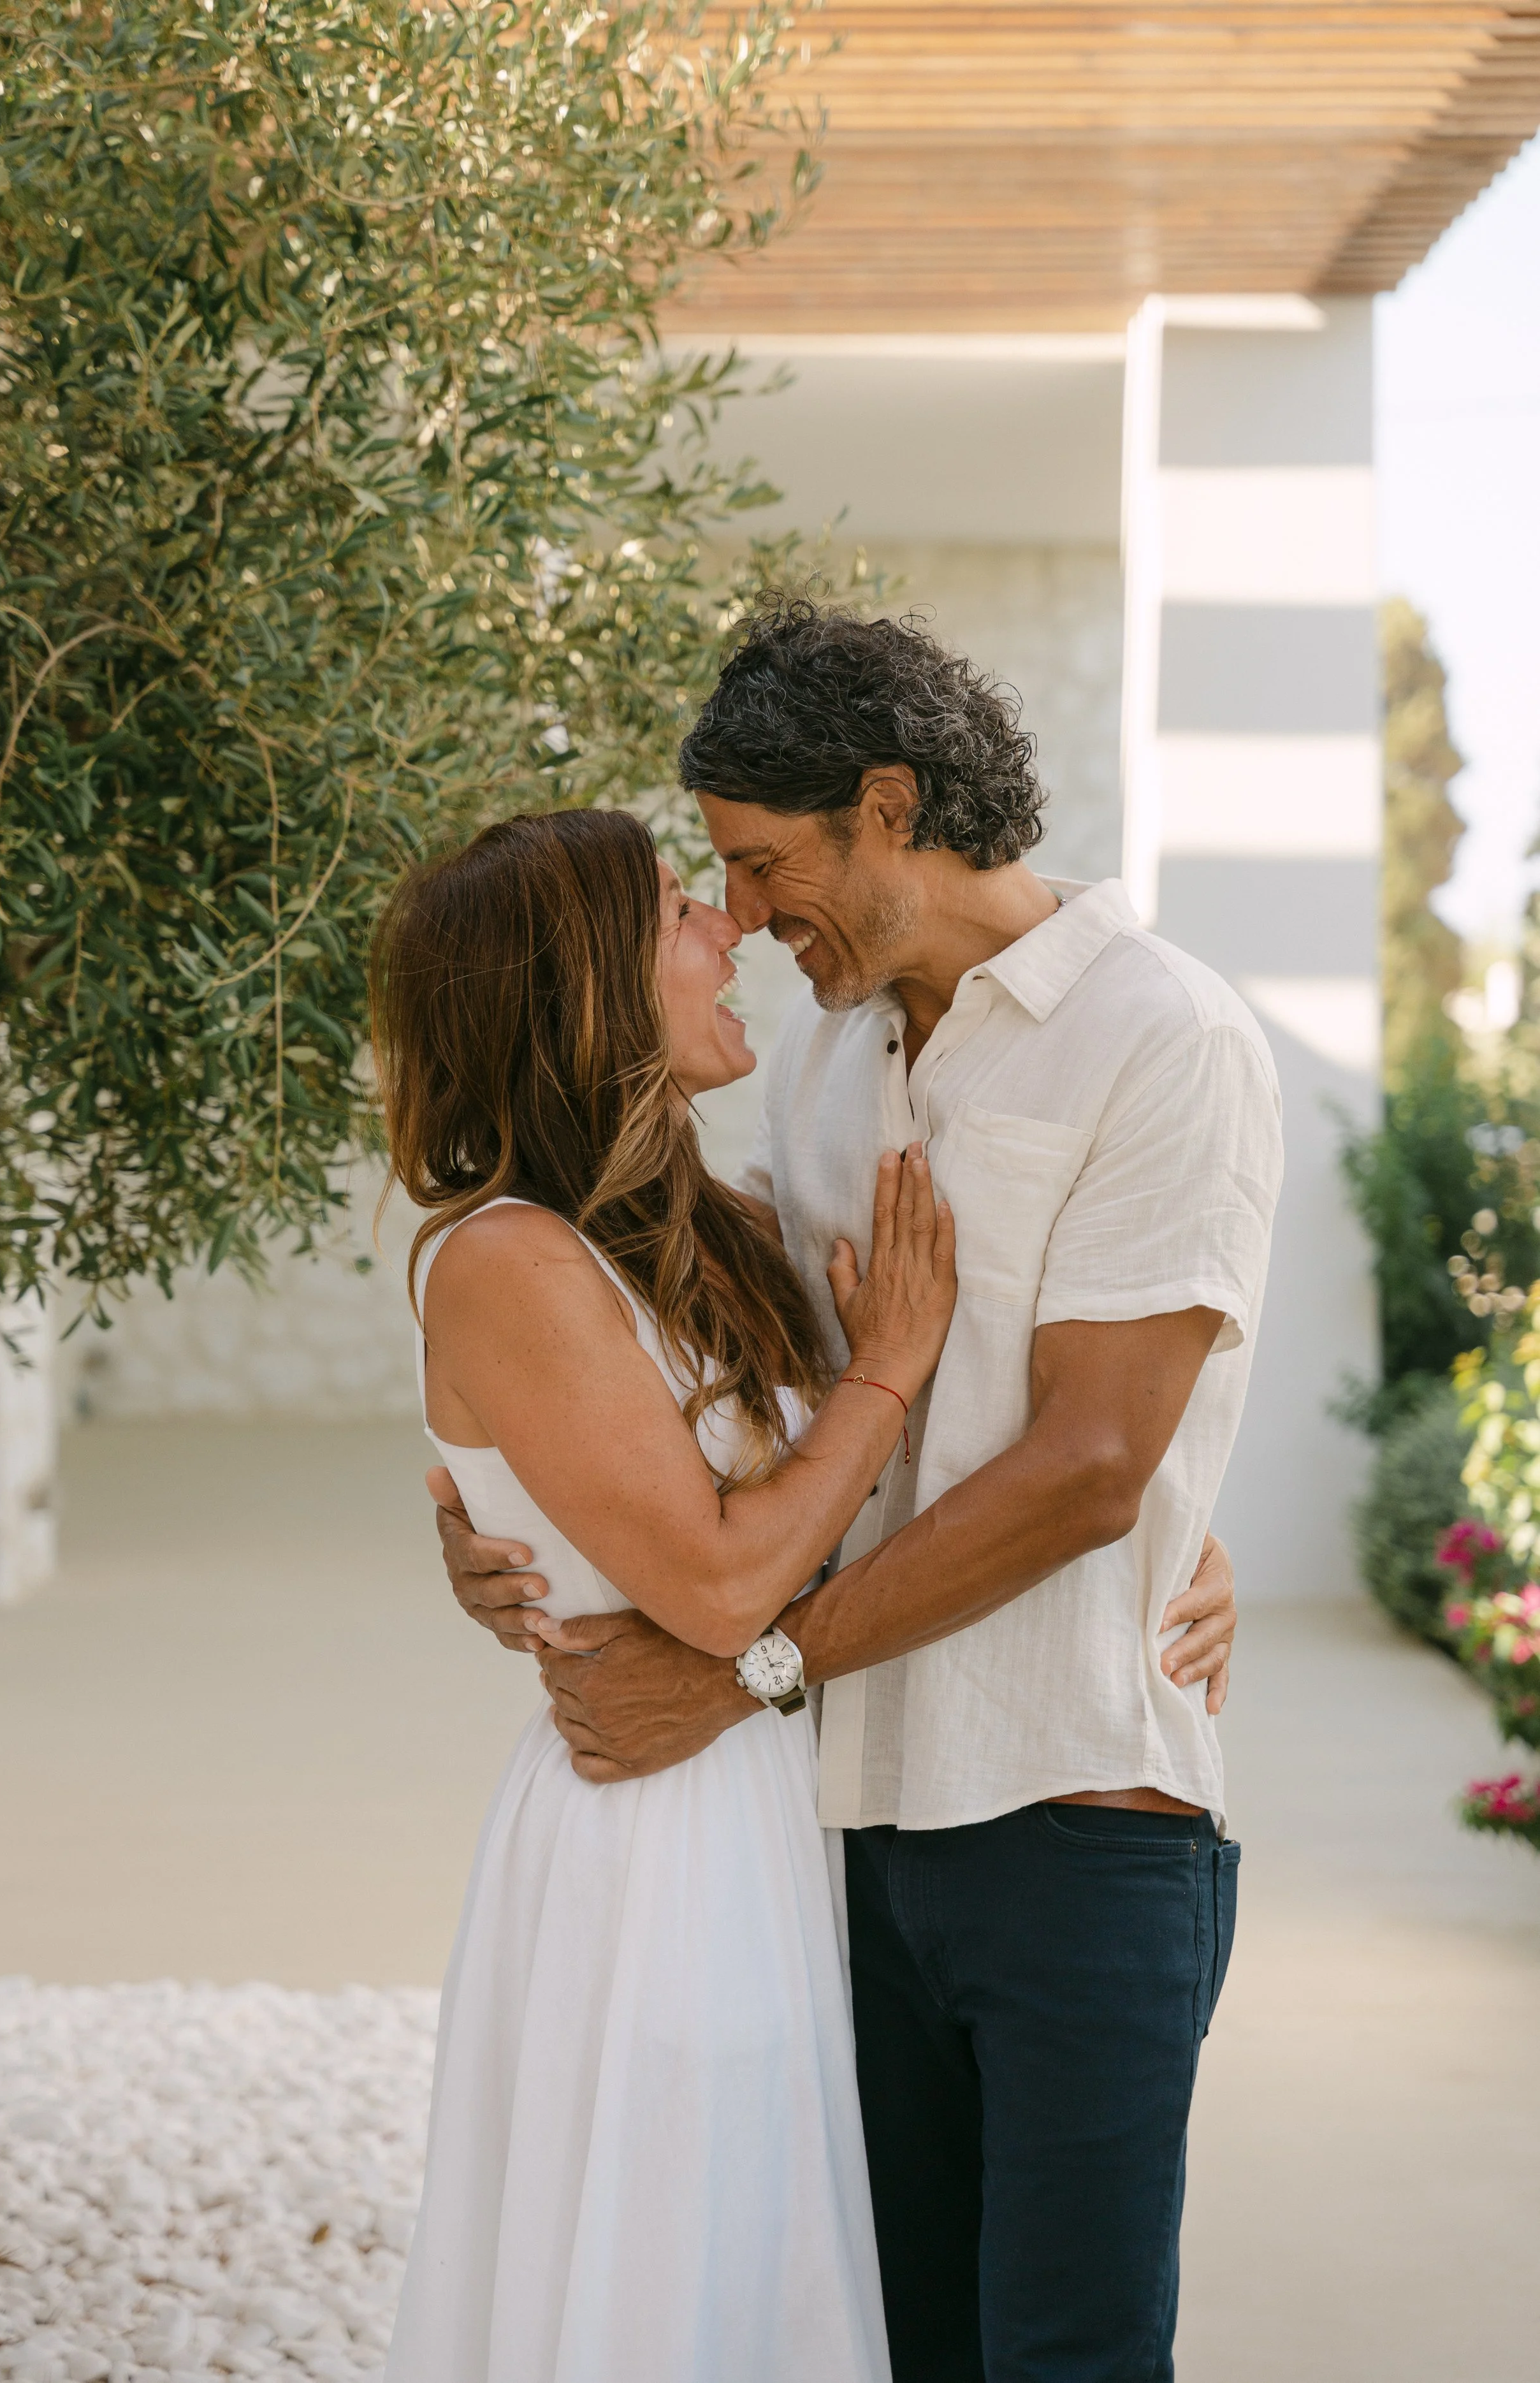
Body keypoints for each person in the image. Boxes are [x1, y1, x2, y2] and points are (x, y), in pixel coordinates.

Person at [437, 600, 1281, 2383]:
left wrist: (756, 1662)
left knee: (1064, 2352)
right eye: (715, 887)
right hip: (830, 1830)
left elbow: (1088, 1460)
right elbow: (744, 1392)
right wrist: (501, 1510)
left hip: (1074, 1812)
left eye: (755, 866)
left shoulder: (1161, 1035)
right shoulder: (824, 1056)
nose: (738, 918)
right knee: (880, 2342)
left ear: (887, 805)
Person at [374, 805, 964, 2382]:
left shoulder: (701, 1230)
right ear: (583, 988)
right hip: (650, 1834)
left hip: (753, 1806)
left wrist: (1181, 1534)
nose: (731, 928)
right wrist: (889, 1368)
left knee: (751, 2266)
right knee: (670, 2271)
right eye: (676, 913)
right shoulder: (504, 1257)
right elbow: (715, 1585)